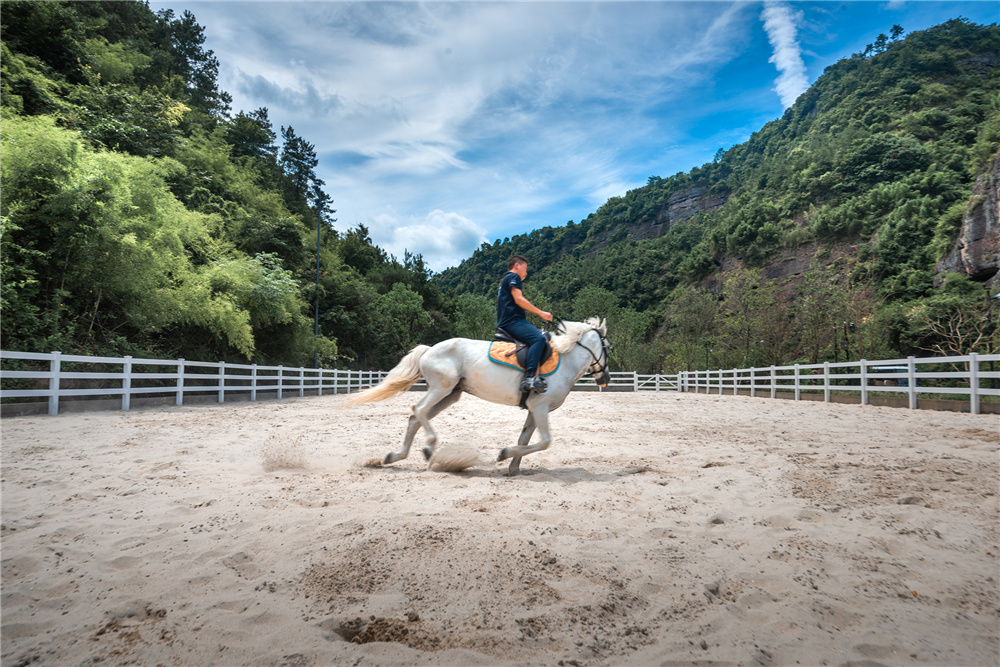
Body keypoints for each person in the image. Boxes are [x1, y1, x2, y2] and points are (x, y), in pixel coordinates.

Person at [496, 255, 553, 393]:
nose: (526, 273)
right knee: (538, 339)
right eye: (525, 268)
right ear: (517, 266)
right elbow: (519, 299)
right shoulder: (513, 277)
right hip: (513, 321)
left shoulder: (505, 280)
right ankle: (530, 378)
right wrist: (541, 313)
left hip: (509, 321)